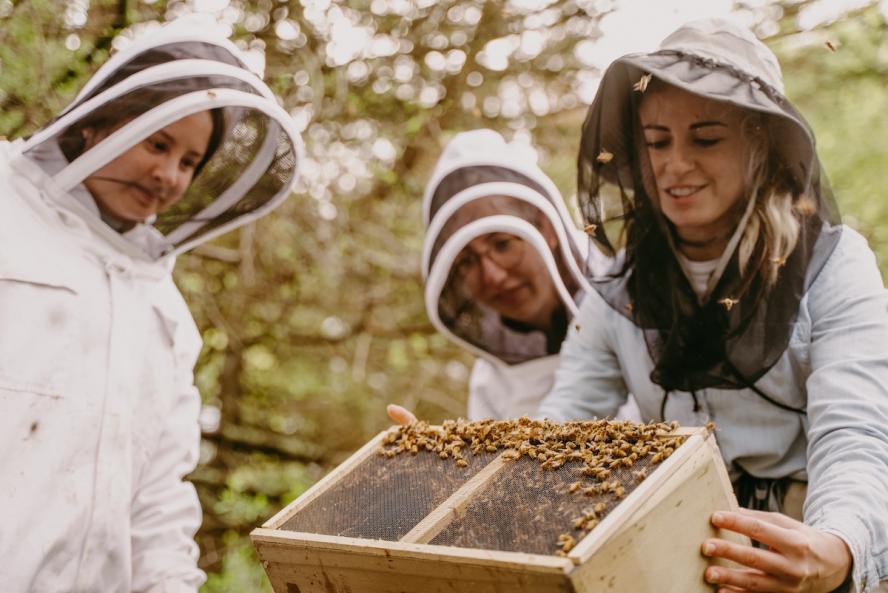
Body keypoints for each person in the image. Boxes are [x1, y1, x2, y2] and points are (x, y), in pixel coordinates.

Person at [537, 18, 888, 593]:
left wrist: (838, 544)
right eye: (657, 142)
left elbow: (855, 431)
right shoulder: (620, 288)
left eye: (705, 139)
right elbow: (562, 426)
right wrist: (459, 466)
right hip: (680, 556)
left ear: (761, 143)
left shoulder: (834, 264)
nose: (676, 165)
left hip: (804, 548)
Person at [0, 21, 302, 592]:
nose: (169, 175)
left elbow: (158, 494)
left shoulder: (163, 309)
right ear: (98, 124)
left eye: (190, 162)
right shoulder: (5, 211)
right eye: (158, 143)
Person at [390, 130, 639, 423]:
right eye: (466, 262)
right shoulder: (490, 386)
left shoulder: (635, 305)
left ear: (546, 229)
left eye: (503, 244)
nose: (492, 275)